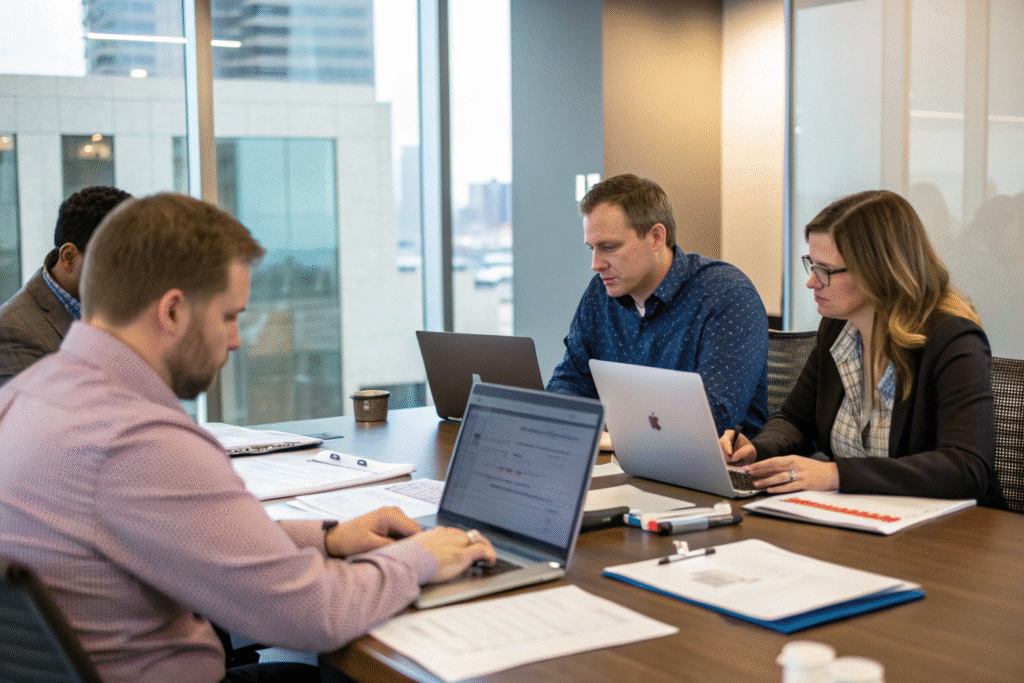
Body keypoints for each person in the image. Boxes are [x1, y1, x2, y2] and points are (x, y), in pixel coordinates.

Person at [0, 193, 496, 683]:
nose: (237, 341)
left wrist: (327, 537)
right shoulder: (139, 440)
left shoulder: (26, 397)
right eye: (229, 316)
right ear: (172, 312)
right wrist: (423, 555)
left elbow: (178, 532)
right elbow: (314, 615)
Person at [722, 190, 1003, 506]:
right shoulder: (836, 328)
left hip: (952, 528)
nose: (812, 282)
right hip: (858, 516)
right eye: (811, 265)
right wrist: (757, 449)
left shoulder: (952, 340)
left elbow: (967, 467)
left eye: (825, 270)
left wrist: (836, 474)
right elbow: (795, 419)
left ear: (877, 270)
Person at [547, 173, 769, 436]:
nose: (596, 264)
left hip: (711, 458)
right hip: (620, 453)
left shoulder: (726, 295)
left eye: (609, 247)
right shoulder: (600, 292)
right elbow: (568, 381)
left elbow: (712, 416)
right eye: (591, 248)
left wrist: (601, 420)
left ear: (656, 237)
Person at [0, 185, 132, 386]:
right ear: (69, 258)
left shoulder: (114, 308)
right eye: (118, 262)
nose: (129, 276)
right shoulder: (12, 331)